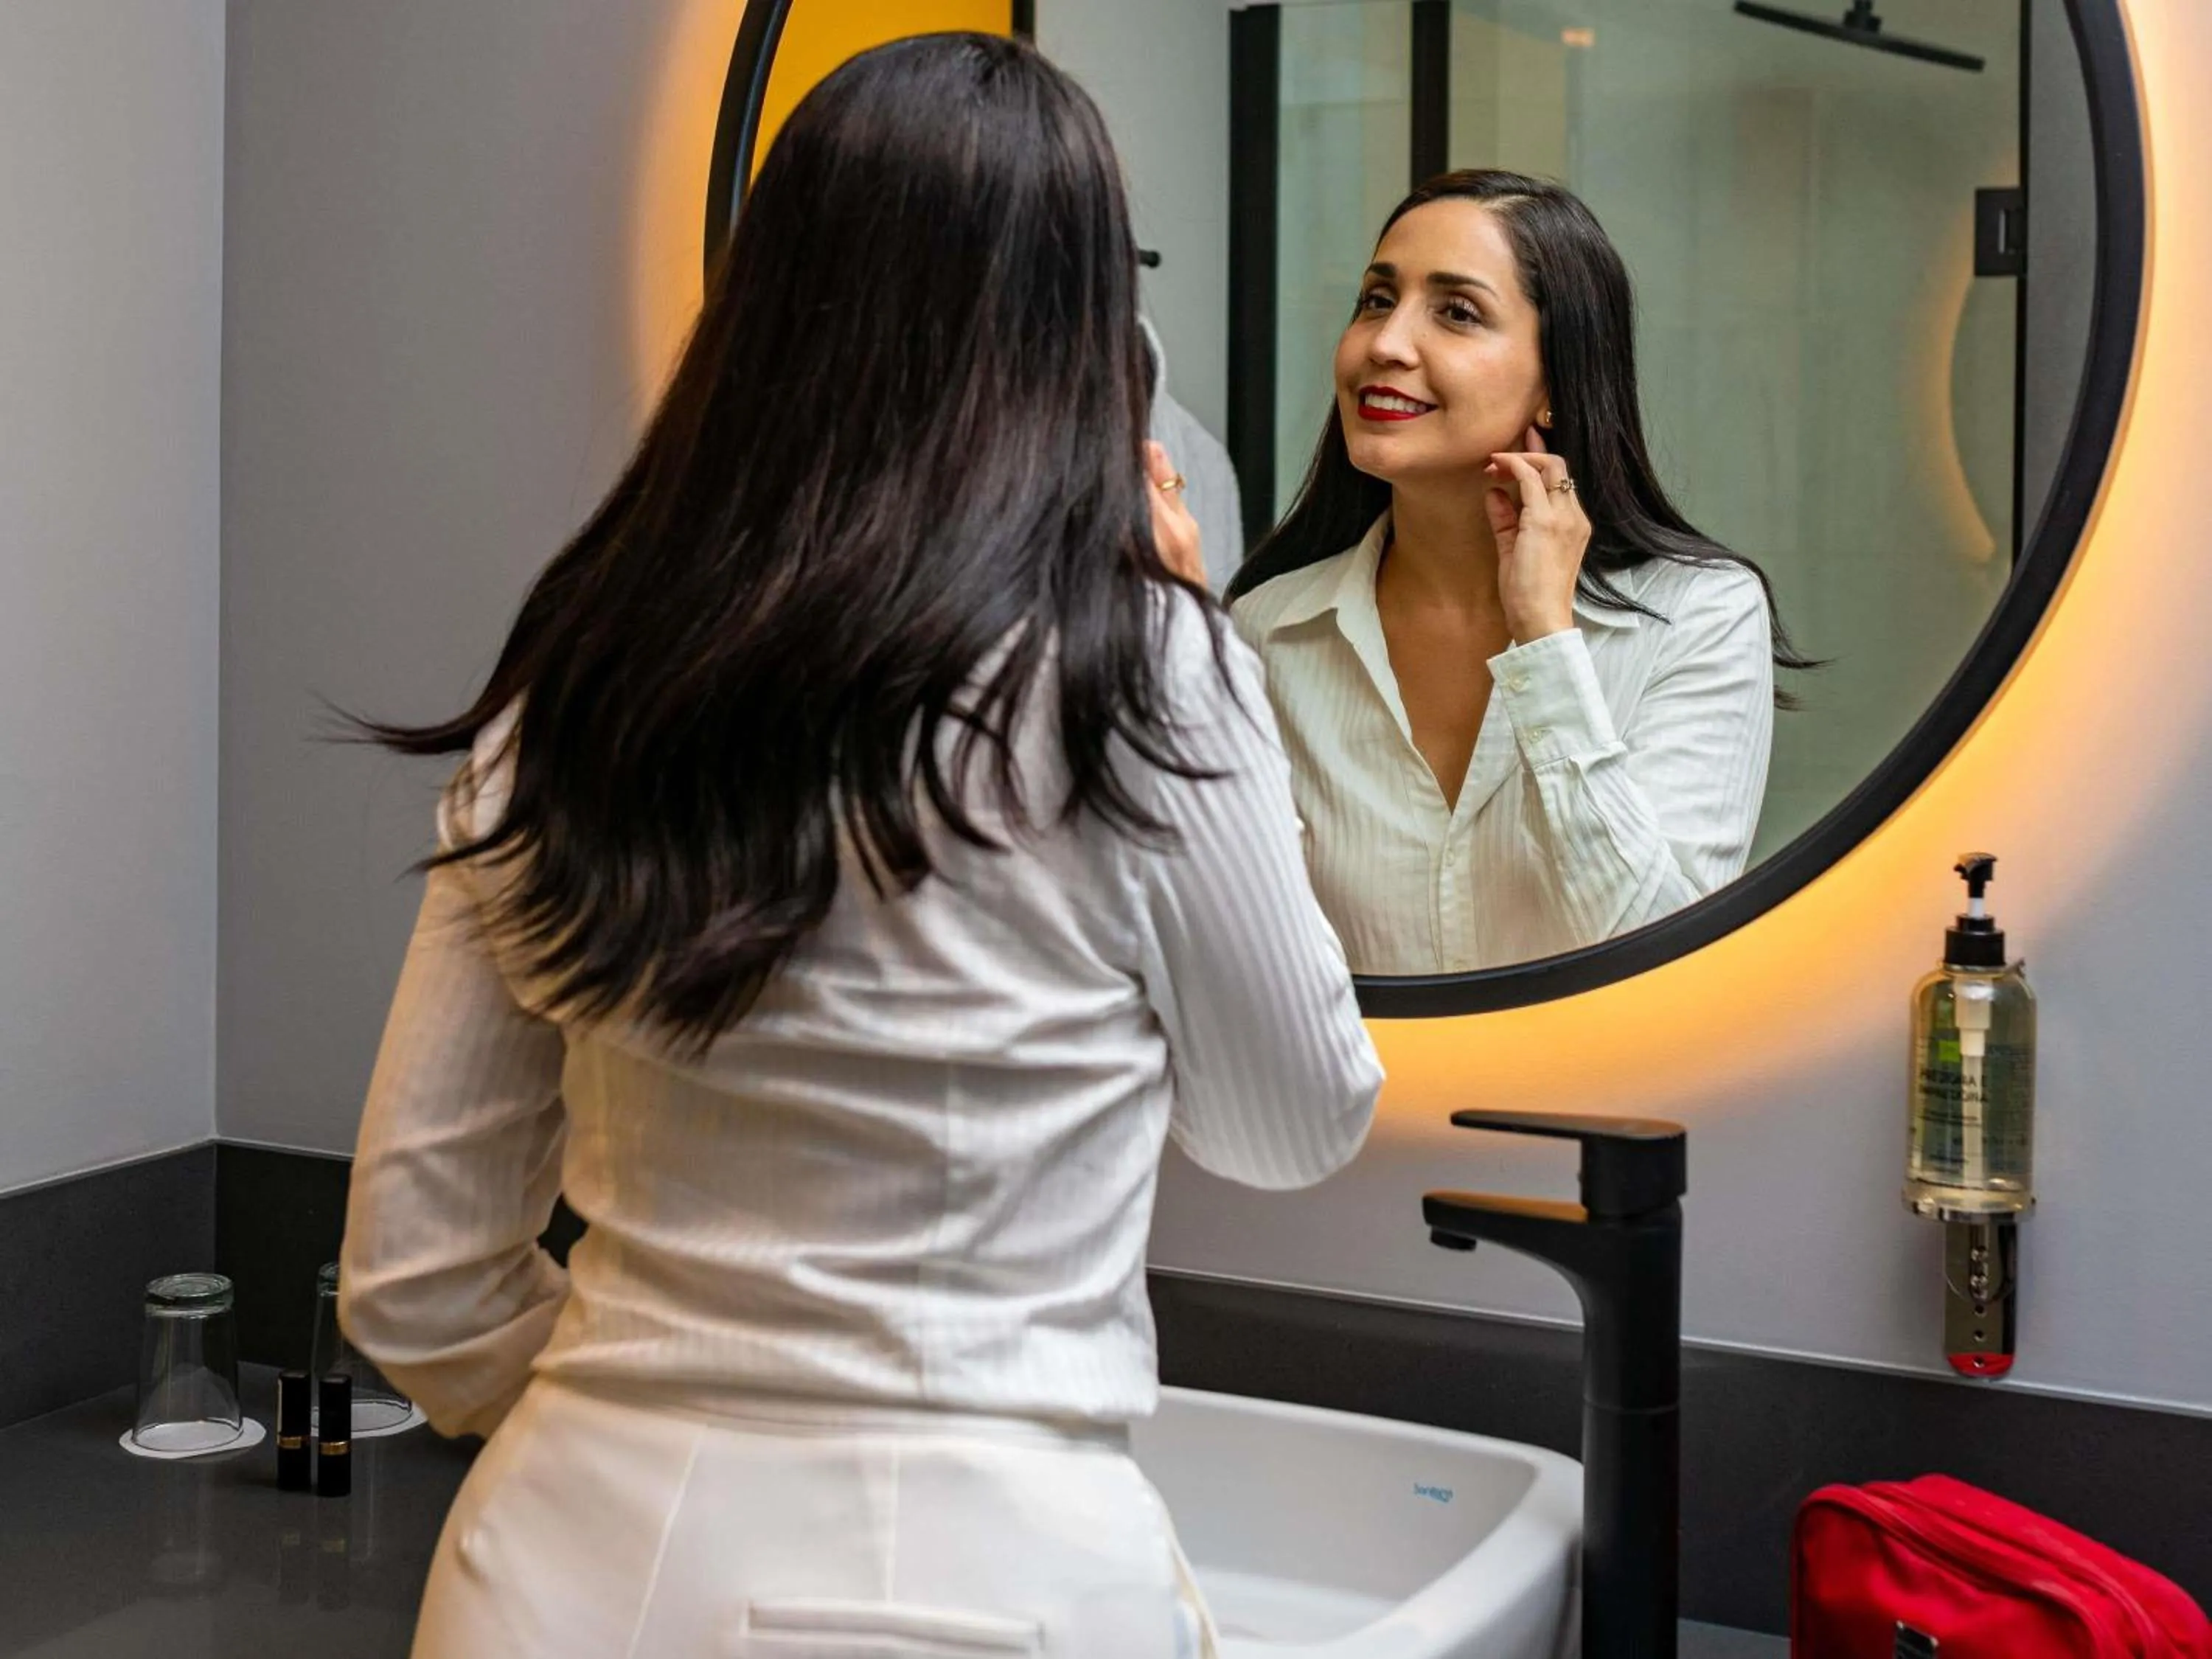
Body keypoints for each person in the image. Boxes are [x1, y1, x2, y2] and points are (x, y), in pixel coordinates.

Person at [336, 34, 1380, 1659]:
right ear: (1082, 325)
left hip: (558, 1567)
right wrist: (1194, 640)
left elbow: (414, 1279)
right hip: (986, 1582)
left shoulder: (584, 671)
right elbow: (1292, 1118)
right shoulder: (1134, 668)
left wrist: (640, 1411)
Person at [1228, 170, 1809, 977]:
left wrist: (1546, 642)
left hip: (1591, 1105)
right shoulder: (1267, 633)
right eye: (1375, 300)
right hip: (1355, 1106)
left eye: (1457, 312)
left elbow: (1661, 955)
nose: (1387, 344)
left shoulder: (1698, 615)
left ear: (1556, 385)